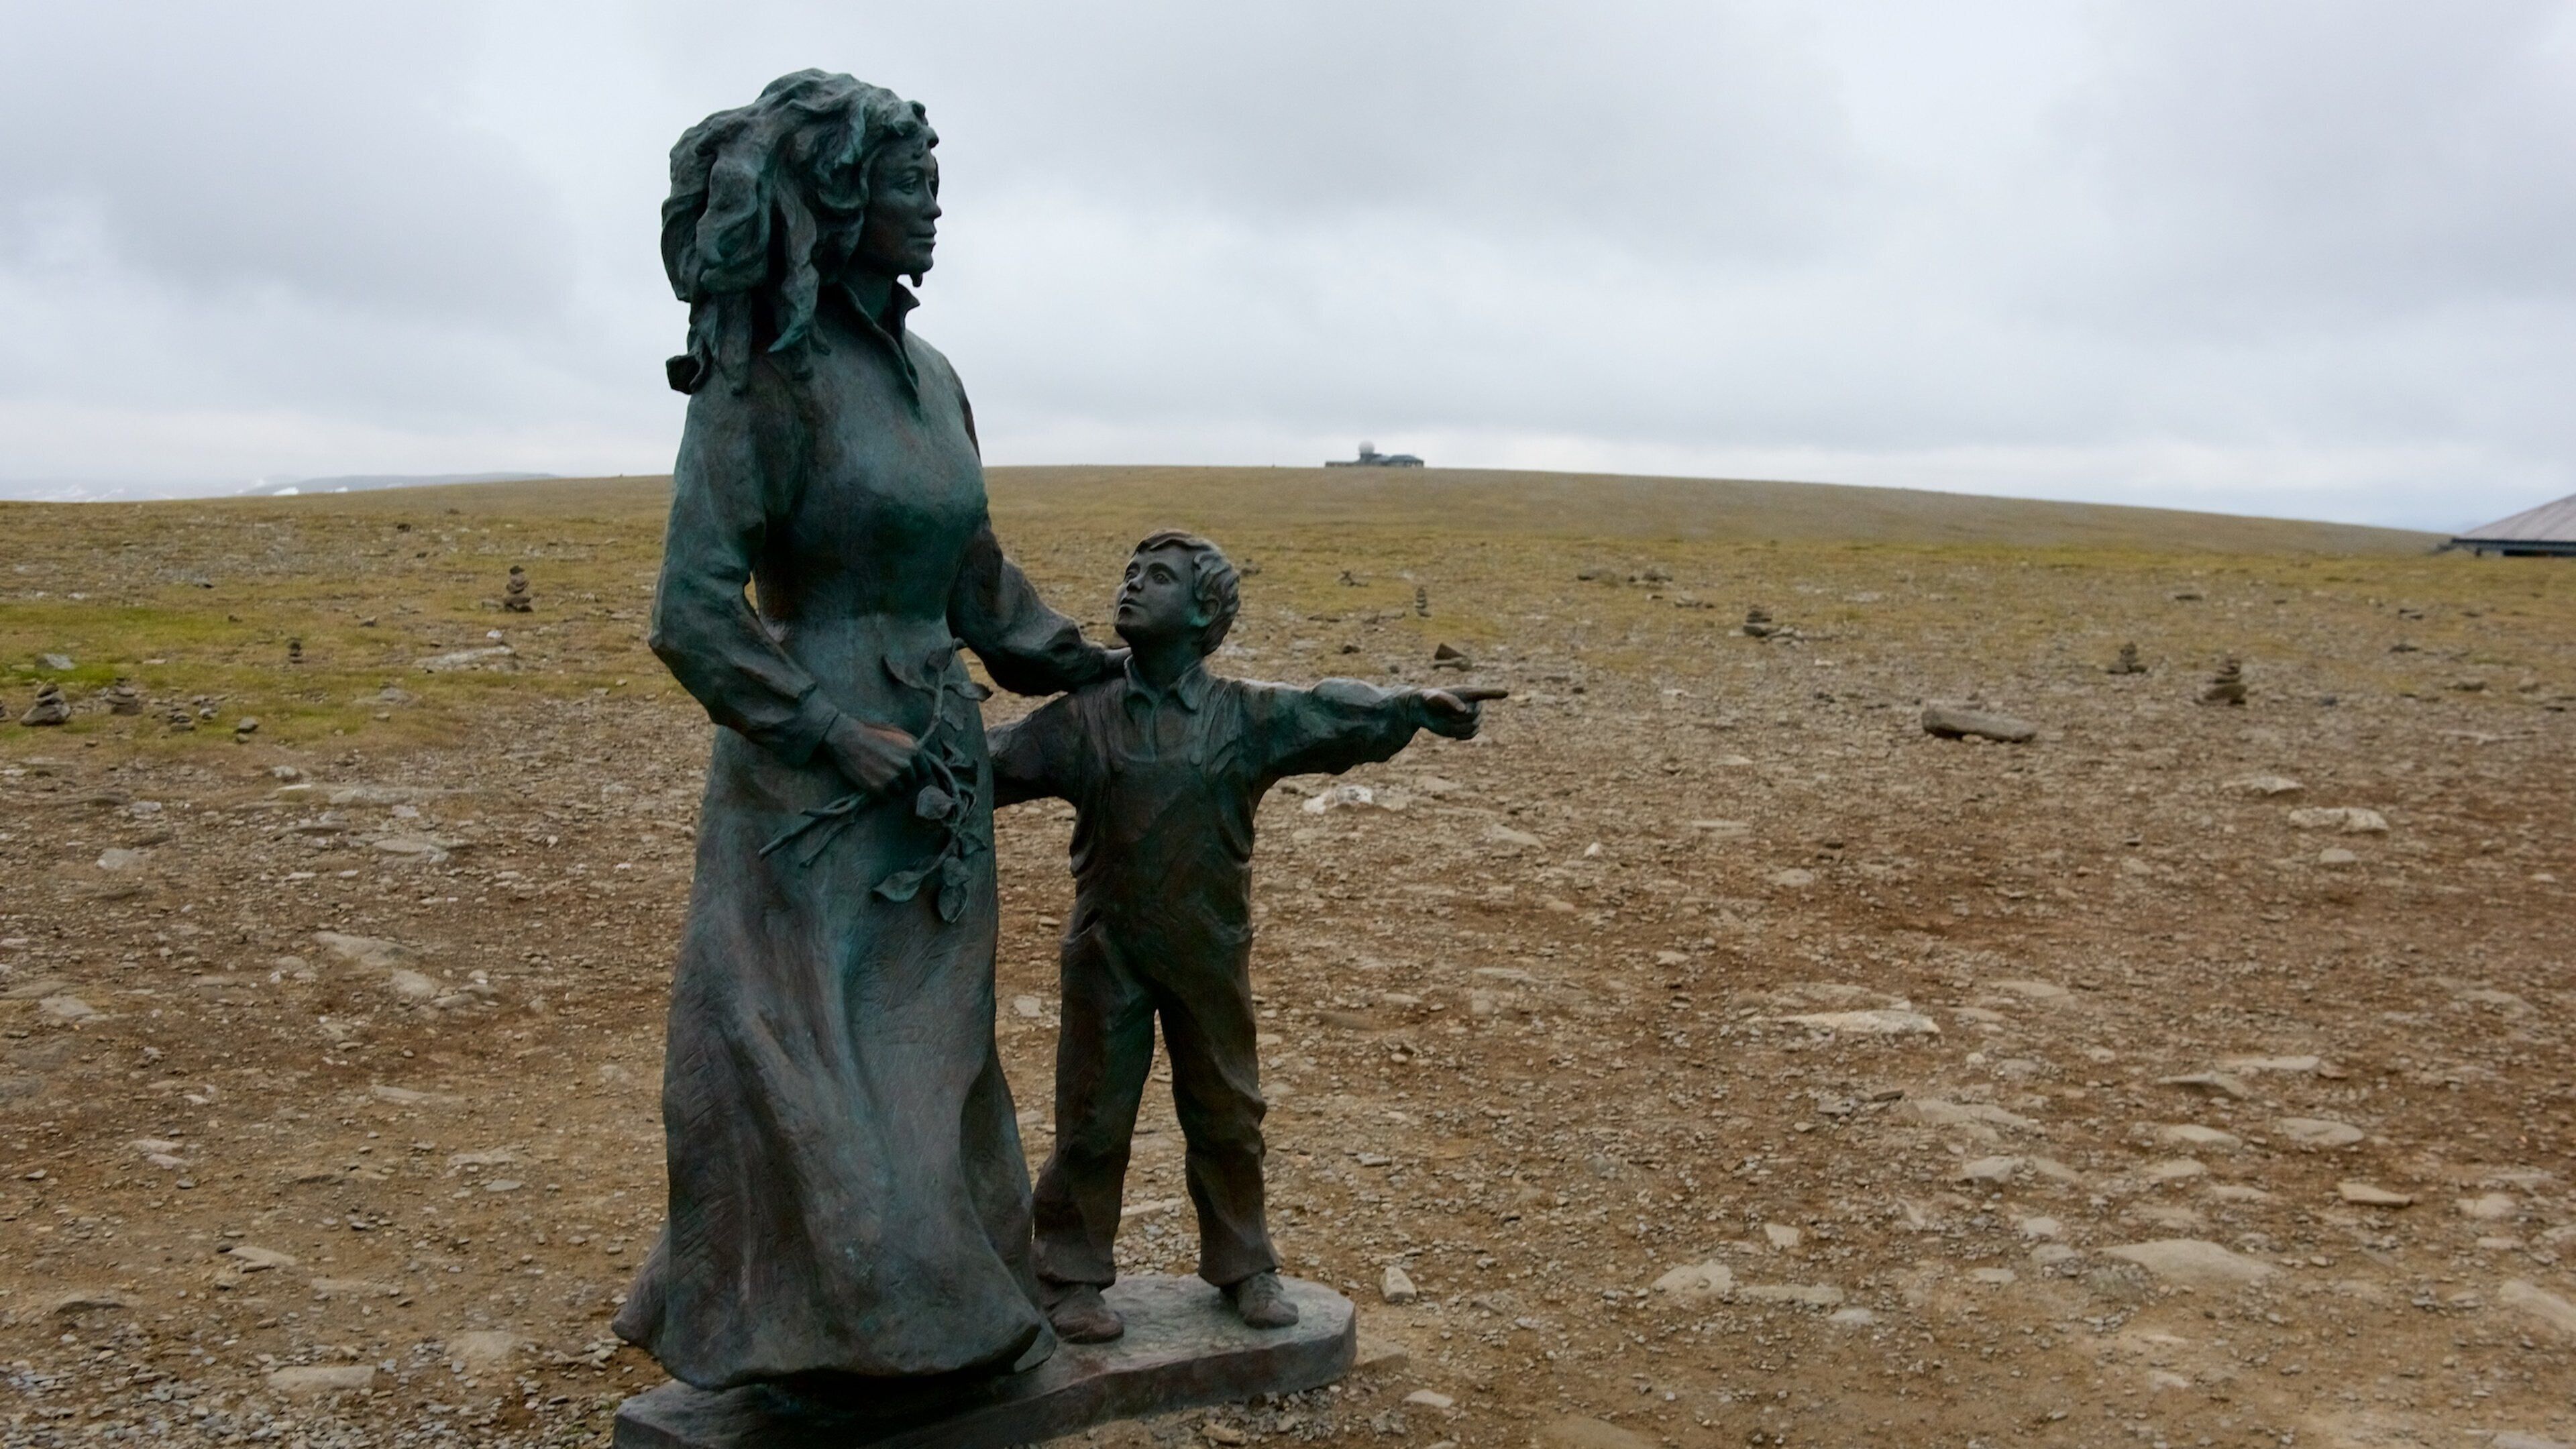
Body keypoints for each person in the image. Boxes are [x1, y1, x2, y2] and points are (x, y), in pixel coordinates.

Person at [612, 71, 1117, 1391]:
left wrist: (1087, 665)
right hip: (810, 785)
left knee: (927, 1051)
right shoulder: (764, 377)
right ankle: (816, 1323)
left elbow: (975, 576)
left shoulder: (935, 379)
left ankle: (942, 1310)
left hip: (935, 768)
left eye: (937, 182)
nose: (933, 207)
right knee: (795, 1047)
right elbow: (691, 609)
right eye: (908, 183)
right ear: (839, 204)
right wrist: (826, 730)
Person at [989, 530, 1501, 1342]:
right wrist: (918, 734)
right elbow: (991, 763)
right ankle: (1069, 1276)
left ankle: (1244, 1264)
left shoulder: (1244, 715)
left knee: (1227, 1109)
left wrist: (1411, 708)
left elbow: (1326, 712)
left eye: (1157, 578)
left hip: (1207, 951)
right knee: (1091, 1117)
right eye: (1130, 572)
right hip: (1106, 952)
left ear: (1204, 613)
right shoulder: (1080, 719)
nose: (1131, 586)